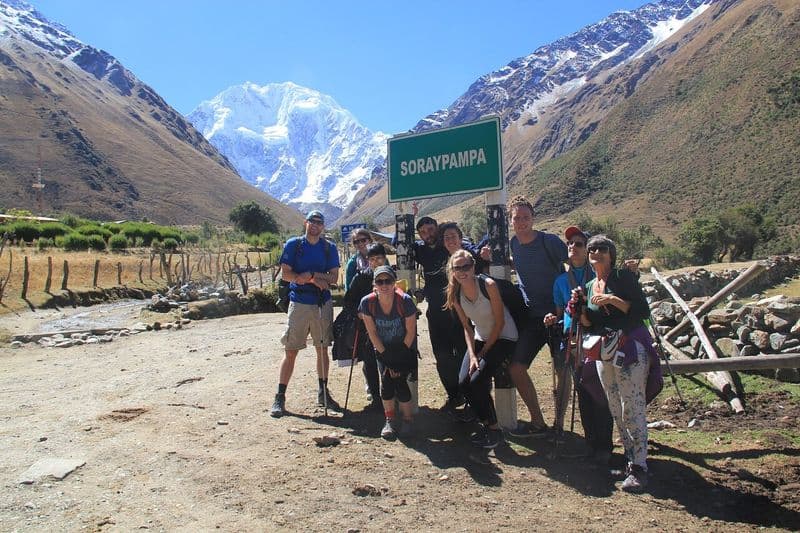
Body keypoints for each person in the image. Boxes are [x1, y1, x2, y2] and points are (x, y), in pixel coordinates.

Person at [575, 234, 658, 493]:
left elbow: (641, 312)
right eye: (592, 249)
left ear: (611, 254)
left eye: (602, 249)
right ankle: (629, 458)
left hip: (630, 347)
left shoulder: (623, 278)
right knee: (615, 405)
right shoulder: (590, 286)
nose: (596, 253)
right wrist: (579, 310)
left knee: (632, 405)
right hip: (605, 351)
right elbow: (591, 324)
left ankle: (639, 466)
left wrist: (612, 300)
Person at [544, 226, 614, 464]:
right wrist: (553, 320)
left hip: (594, 338)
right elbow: (559, 311)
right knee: (582, 389)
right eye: (570, 244)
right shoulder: (560, 281)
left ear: (589, 250)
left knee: (597, 389)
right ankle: (588, 440)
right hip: (570, 339)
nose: (573, 247)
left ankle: (603, 443)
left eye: (579, 244)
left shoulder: (599, 279)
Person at [506, 195, 568, 437]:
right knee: (516, 368)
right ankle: (538, 422)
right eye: (516, 218)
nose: (521, 222)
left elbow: (573, 263)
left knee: (562, 371)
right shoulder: (513, 244)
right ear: (511, 221)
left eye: (525, 217)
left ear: (533, 218)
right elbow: (518, 264)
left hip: (559, 315)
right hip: (534, 318)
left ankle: (560, 424)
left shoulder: (549, 242)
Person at [270, 210, 341, 418]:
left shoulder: (329, 248)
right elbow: (286, 274)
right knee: (291, 350)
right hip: (299, 303)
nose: (315, 225)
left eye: (319, 222)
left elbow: (334, 278)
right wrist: (314, 280)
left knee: (322, 349)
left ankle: (323, 392)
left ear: (323, 227)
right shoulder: (294, 244)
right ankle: (280, 396)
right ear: (305, 223)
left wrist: (309, 275)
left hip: (322, 304)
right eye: (312, 221)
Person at [444, 250, 517, 449]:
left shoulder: (488, 285)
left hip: (503, 337)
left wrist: (481, 354)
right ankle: (484, 420)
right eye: (457, 268)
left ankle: (494, 430)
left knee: (476, 380)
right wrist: (473, 354)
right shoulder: (455, 293)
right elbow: (467, 328)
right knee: (463, 382)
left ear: (473, 266)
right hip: (480, 338)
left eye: (466, 266)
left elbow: (500, 323)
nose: (462, 271)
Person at [411, 215, 478, 416]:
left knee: (464, 353)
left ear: (437, 230)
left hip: (460, 311)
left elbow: (469, 252)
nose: (427, 235)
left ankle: (470, 397)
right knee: (441, 356)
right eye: (422, 232)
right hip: (436, 312)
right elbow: (399, 242)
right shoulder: (420, 251)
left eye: (430, 230)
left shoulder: (448, 248)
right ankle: (453, 395)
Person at [359, 265, 418, 439]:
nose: (384, 285)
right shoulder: (367, 303)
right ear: (374, 284)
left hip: (404, 348)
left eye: (388, 281)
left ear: (394, 283)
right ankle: (390, 420)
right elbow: (372, 333)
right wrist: (387, 357)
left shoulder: (405, 301)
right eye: (380, 281)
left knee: (399, 381)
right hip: (382, 349)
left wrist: (398, 358)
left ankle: (407, 420)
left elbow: (410, 332)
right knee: (387, 384)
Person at [343, 242, 389, 409]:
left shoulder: (392, 276)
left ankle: (389, 395)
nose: (376, 262)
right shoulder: (361, 277)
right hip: (367, 328)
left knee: (389, 360)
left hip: (391, 327)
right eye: (373, 259)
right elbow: (348, 301)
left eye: (380, 258)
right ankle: (376, 398)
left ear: (385, 258)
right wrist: (359, 313)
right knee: (370, 362)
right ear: (368, 260)